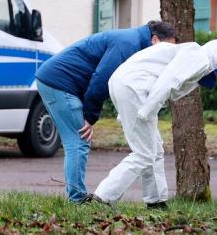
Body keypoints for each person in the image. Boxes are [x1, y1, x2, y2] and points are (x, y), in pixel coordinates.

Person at [35, 20, 177, 203]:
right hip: (58, 83)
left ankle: (77, 197)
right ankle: (77, 200)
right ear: (155, 40)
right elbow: (102, 78)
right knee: (78, 140)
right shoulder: (128, 43)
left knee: (78, 141)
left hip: (58, 82)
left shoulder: (133, 41)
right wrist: (90, 116)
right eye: (168, 48)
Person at [90, 38, 217, 208]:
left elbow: (169, 87)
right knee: (144, 154)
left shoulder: (193, 54)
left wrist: (143, 110)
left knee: (155, 149)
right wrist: (147, 111)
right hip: (135, 88)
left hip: (129, 85)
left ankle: (156, 201)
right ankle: (102, 198)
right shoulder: (200, 59)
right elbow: (168, 81)